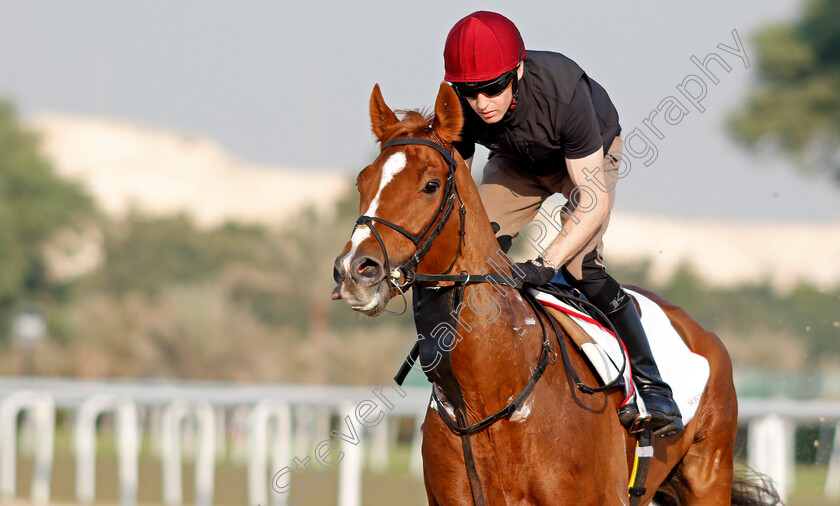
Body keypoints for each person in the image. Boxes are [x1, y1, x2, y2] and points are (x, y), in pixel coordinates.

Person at [443, 10, 683, 438]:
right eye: (469, 91)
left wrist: (545, 262)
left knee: (579, 269)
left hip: (586, 161)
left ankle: (652, 384)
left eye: (493, 88)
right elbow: (455, 188)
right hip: (516, 163)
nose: (481, 103)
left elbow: (592, 201)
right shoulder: (460, 102)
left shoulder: (563, 91)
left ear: (516, 70)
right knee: (477, 255)